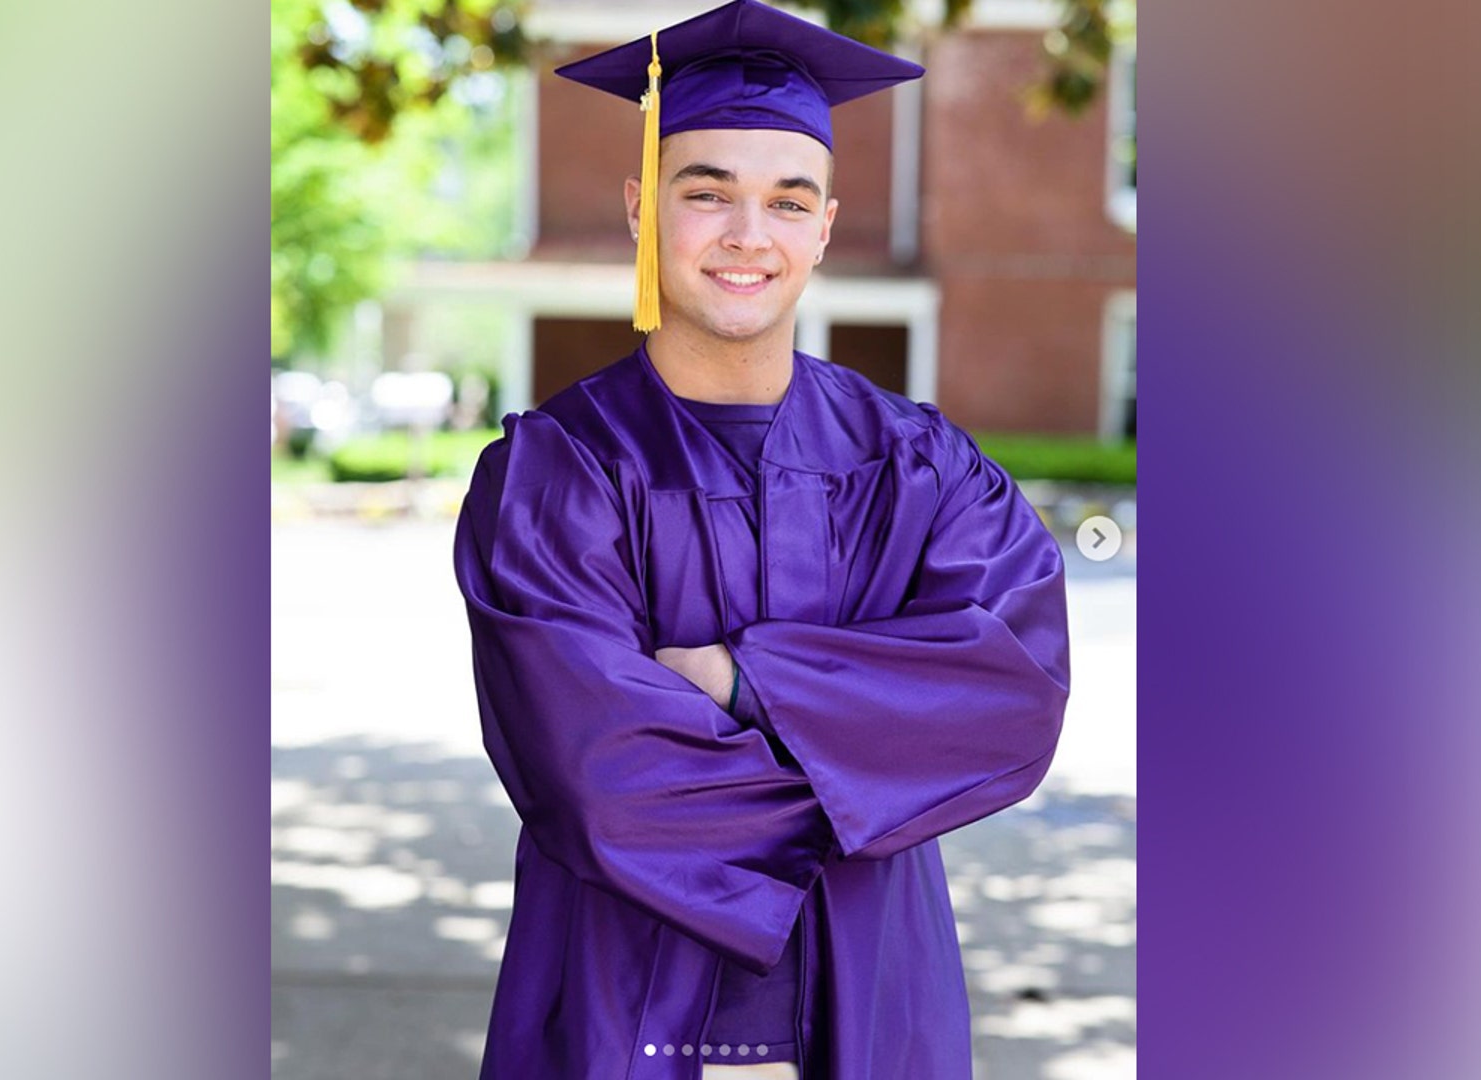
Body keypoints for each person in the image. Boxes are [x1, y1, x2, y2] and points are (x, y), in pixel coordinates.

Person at [453, 2, 1071, 1076]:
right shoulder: (554, 476)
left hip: (875, 995)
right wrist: (876, 766)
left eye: (788, 200)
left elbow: (1016, 696)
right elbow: (597, 779)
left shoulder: (922, 465)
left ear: (825, 226)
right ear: (645, 209)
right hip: (621, 997)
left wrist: (744, 684)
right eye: (709, 193)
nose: (750, 234)